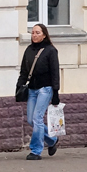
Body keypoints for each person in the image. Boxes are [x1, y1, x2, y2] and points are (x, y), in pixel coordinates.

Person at [17, 23, 60, 160]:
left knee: (37, 118)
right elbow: (24, 71)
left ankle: (36, 150)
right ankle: (52, 140)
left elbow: (55, 73)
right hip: (32, 89)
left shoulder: (50, 51)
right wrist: (19, 85)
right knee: (31, 119)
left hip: (45, 89)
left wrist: (56, 93)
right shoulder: (29, 50)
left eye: (37, 33)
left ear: (44, 34)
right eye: (33, 33)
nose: (34, 35)